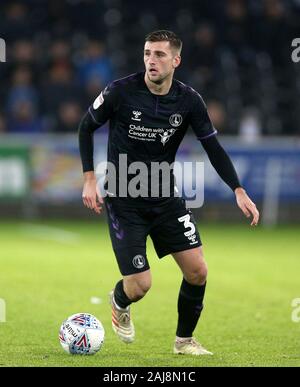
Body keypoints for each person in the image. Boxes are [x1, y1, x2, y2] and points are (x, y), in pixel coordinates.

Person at [78, 30, 259, 356]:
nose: (151, 60)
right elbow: (85, 126)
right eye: (148, 53)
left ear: (176, 60)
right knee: (141, 286)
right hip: (123, 199)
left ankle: (184, 341)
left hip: (165, 197)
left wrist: (238, 189)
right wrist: (89, 179)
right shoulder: (120, 91)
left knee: (198, 271)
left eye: (160, 54)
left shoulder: (189, 101)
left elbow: (213, 147)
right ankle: (120, 299)